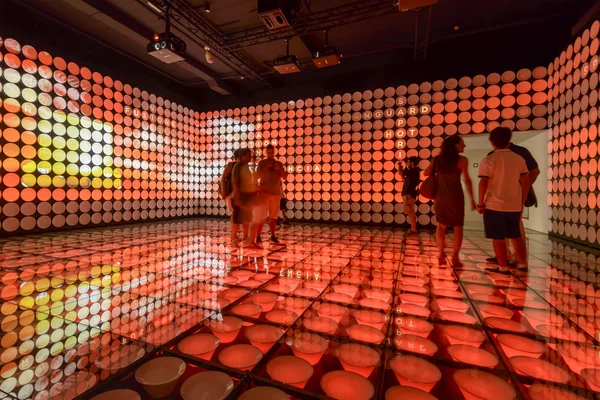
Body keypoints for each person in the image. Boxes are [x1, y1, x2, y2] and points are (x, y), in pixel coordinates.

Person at [477, 127, 531, 275]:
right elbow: (526, 180)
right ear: (509, 141)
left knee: (498, 237)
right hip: (514, 204)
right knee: (516, 235)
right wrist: (522, 199)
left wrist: (480, 203)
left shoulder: (489, 160)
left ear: (492, 141)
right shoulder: (518, 159)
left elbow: (483, 183)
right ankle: (522, 263)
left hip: (494, 204)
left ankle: (502, 267)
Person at [485, 141, 540, 269]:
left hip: (507, 195)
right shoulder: (518, 152)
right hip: (506, 195)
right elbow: (535, 171)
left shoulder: (517, 153)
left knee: (515, 225)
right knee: (512, 224)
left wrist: (522, 187)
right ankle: (509, 256)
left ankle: (516, 257)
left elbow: (534, 171)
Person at [423, 135, 476, 267]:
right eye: (462, 143)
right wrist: (472, 199)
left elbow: (425, 173)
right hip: (456, 197)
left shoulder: (437, 159)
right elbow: (467, 180)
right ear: (455, 145)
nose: (464, 146)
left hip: (440, 198)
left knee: (441, 226)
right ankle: (455, 257)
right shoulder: (462, 160)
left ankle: (441, 254)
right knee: (458, 227)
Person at [255, 144, 287, 243]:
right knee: (261, 216)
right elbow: (257, 176)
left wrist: (278, 169)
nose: (270, 154)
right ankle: (258, 236)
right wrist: (266, 168)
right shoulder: (262, 163)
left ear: (274, 152)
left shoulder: (279, 164)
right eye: (268, 152)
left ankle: (273, 235)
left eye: (272, 152)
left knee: (274, 216)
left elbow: (284, 177)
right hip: (264, 193)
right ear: (266, 152)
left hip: (276, 193)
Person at [232, 148, 261, 248]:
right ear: (243, 156)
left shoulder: (245, 166)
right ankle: (234, 240)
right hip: (241, 195)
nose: (250, 157)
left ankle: (247, 239)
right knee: (237, 219)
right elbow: (235, 182)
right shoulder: (238, 166)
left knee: (246, 218)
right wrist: (237, 196)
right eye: (248, 155)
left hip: (247, 195)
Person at [221, 149, 246, 245]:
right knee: (235, 213)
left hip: (239, 193)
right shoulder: (231, 165)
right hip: (230, 193)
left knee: (238, 214)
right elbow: (223, 178)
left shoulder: (243, 166)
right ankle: (234, 236)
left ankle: (236, 235)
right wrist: (224, 192)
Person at [398, 156, 421, 234]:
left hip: (409, 194)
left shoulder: (413, 171)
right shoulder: (414, 171)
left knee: (411, 212)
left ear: (412, 163)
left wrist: (399, 167)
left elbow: (401, 173)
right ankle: (413, 229)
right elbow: (405, 180)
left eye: (408, 162)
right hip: (409, 194)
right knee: (410, 212)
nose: (407, 164)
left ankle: (413, 230)